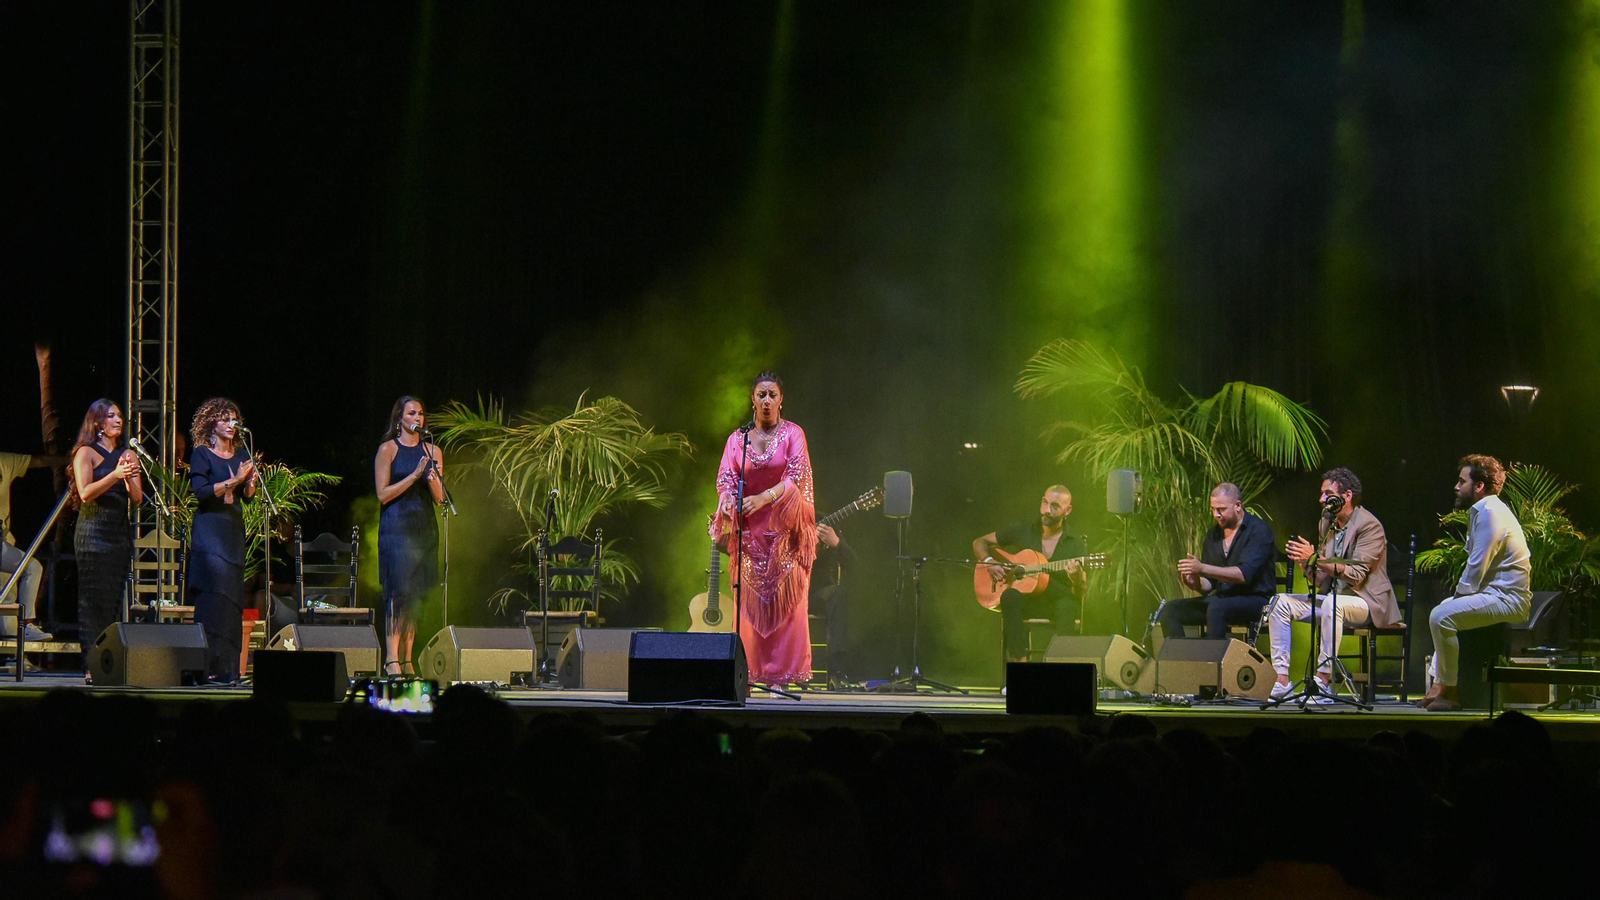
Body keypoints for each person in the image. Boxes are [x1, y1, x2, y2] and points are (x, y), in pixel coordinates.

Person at [712, 371, 816, 688]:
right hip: (748, 539)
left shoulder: (793, 434)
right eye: (761, 395)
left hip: (785, 537)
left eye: (772, 394)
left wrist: (763, 498)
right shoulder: (737, 440)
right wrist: (728, 500)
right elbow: (725, 479)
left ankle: (781, 681)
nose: (767, 400)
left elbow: (796, 478)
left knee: (788, 615)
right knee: (747, 618)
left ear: (781, 400)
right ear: (752, 400)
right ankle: (749, 676)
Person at [1266, 467, 1398, 700]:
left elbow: (1356, 574)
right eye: (1322, 493)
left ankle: (1323, 681)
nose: (1321, 499)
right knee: (1280, 602)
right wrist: (1304, 564)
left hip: (1366, 602)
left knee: (1332, 604)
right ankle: (1282, 680)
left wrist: (1315, 558)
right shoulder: (1328, 523)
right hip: (1333, 601)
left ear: (1346, 496)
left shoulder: (1369, 526)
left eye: (1327, 494)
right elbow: (1320, 581)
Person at [1418, 454, 1531, 712]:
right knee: (1444, 611)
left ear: (1479, 486)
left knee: (1441, 616)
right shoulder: (1484, 511)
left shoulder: (1491, 513)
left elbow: (1476, 566)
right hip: (1494, 594)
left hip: (1508, 600)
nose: (1456, 487)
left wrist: (1460, 596)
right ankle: (1438, 687)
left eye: (1461, 481)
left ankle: (1451, 692)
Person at [973, 485, 1088, 662]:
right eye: (1044, 502)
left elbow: (1080, 594)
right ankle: (1021, 665)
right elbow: (979, 541)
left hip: (1055, 603)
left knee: (1068, 605)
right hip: (1027, 601)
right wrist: (989, 562)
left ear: (1068, 510)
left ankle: (1060, 667)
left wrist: (1077, 580)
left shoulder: (1075, 543)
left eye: (1055, 506)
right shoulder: (1024, 529)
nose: (1047, 510)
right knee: (1010, 596)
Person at [187, 398, 257, 682]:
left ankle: (229, 670)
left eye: (233, 419)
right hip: (209, 531)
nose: (231, 424)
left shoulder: (241, 455)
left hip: (232, 531)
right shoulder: (202, 454)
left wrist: (249, 484)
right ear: (211, 425)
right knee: (213, 598)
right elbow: (201, 492)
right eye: (224, 419)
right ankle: (207, 668)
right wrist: (235, 480)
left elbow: (246, 497)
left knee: (231, 602)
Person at [68, 400, 144, 661]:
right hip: (92, 533)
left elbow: (137, 498)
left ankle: (107, 663)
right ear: (98, 423)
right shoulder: (85, 453)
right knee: (93, 601)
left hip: (117, 535)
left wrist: (129, 479)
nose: (118, 420)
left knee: (111, 600)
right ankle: (91, 662)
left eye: (120, 415)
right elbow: (86, 493)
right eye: (111, 416)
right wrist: (115, 474)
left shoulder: (127, 454)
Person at [374, 396, 443, 675]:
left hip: (423, 529)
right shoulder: (388, 449)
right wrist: (414, 475)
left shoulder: (433, 450)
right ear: (399, 418)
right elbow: (382, 494)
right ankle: (391, 658)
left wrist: (431, 477)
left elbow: (439, 499)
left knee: (415, 596)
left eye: (421, 414)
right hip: (396, 530)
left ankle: (407, 658)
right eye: (412, 413)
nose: (418, 418)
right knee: (398, 593)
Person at [1157, 482, 1277, 642]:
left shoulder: (1259, 530)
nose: (1216, 514)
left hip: (1256, 600)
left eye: (1221, 509)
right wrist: (1196, 583)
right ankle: (1182, 661)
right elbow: (1209, 584)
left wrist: (1202, 567)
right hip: (1221, 599)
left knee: (1217, 608)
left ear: (1238, 506)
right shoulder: (1213, 535)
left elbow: (1244, 575)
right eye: (1213, 509)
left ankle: (1212, 663)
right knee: (1170, 610)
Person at [1, 449, 61, 642]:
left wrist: (70, 459)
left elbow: (39, 460)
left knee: (7, 595)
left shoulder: (5, 461)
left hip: (3, 539)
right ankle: (27, 624)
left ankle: (12, 653)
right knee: (31, 567)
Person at [812, 520, 858, 688]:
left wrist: (836, 543)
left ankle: (836, 672)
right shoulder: (779, 518)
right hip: (784, 591)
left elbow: (854, 564)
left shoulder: (825, 521)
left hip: (814, 593)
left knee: (839, 593)